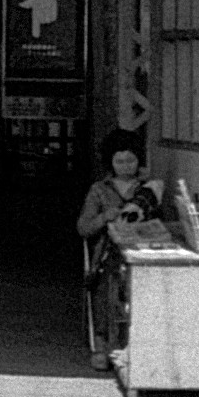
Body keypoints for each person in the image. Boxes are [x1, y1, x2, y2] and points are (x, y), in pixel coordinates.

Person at [75, 131, 160, 372]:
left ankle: (133, 347)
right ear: (110, 163)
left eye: (130, 161)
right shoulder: (100, 190)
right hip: (107, 254)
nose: (125, 166)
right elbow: (83, 227)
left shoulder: (148, 190)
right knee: (105, 292)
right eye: (119, 161)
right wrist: (104, 217)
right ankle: (102, 347)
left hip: (141, 251)